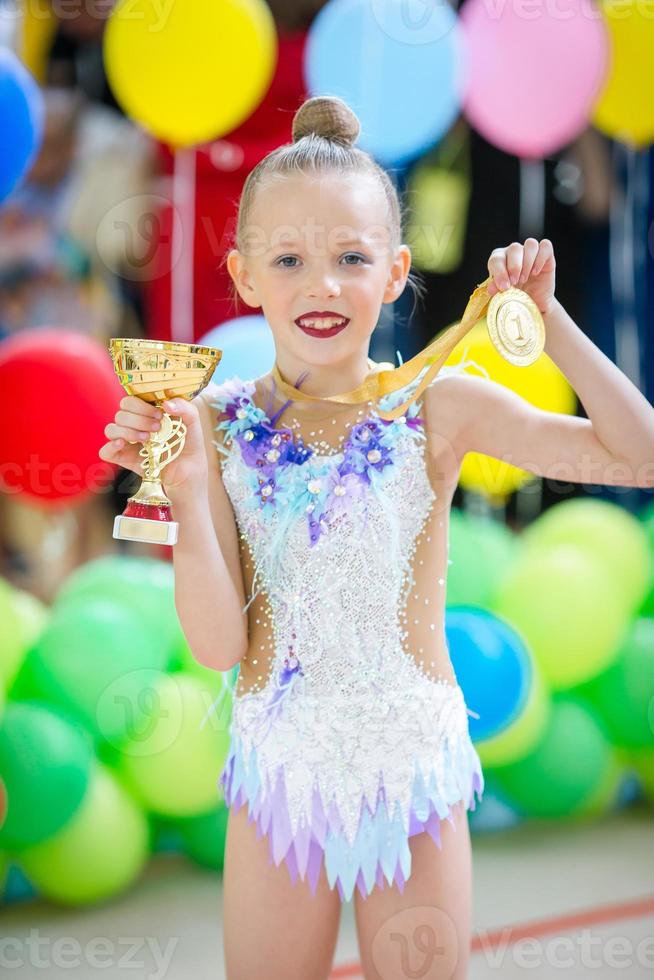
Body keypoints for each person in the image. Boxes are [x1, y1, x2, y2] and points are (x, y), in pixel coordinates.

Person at [98, 96, 654, 980]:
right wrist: (189, 487)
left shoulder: (437, 406)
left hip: (413, 778)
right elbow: (216, 644)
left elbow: (641, 457)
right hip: (281, 782)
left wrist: (553, 329)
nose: (322, 285)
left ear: (395, 273)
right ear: (244, 275)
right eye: (289, 260)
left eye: (351, 258)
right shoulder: (212, 425)